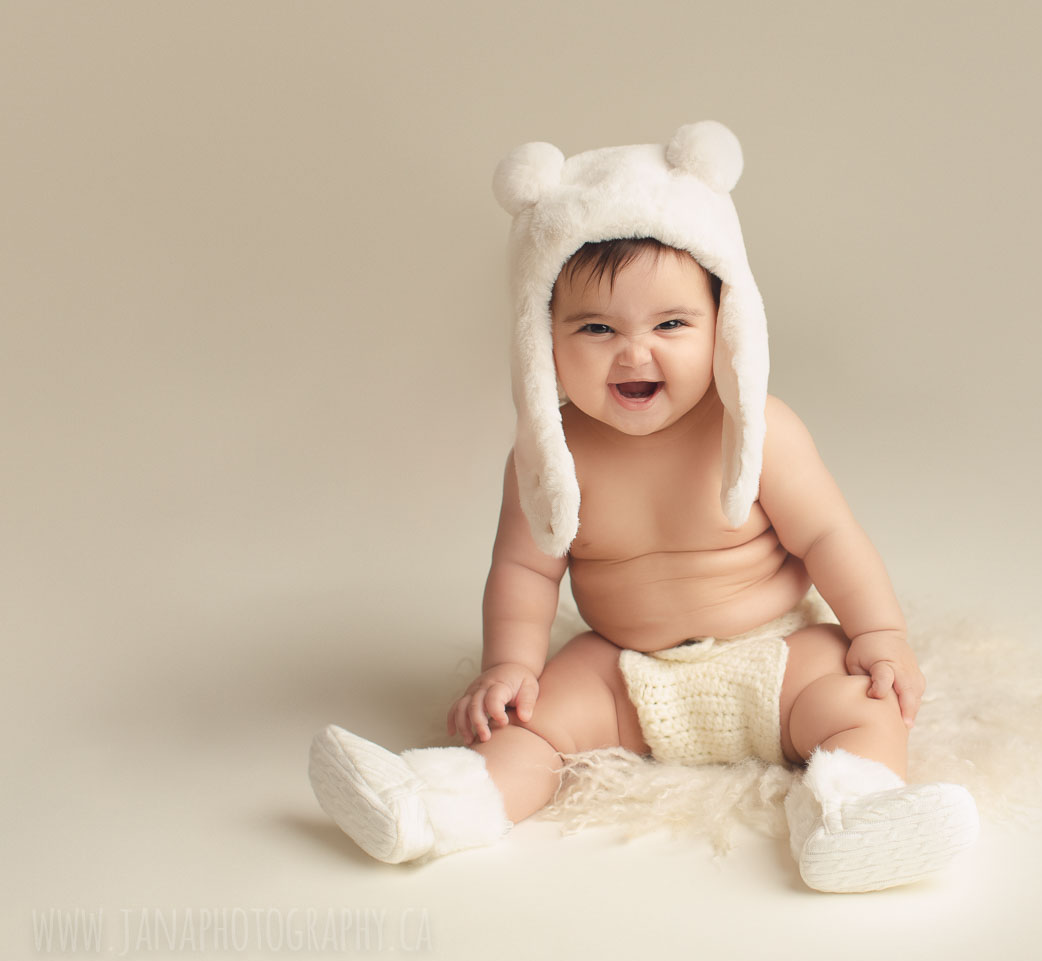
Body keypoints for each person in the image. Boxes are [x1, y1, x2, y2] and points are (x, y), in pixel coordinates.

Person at [308, 122, 977, 893]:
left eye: (671, 325)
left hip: (775, 654)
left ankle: (852, 818)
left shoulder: (758, 429)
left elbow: (829, 536)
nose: (635, 352)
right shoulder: (551, 456)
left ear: (725, 324)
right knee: (536, 720)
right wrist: (510, 667)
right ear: (542, 341)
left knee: (861, 702)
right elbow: (525, 570)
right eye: (596, 328)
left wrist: (882, 634)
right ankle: (437, 808)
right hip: (624, 674)